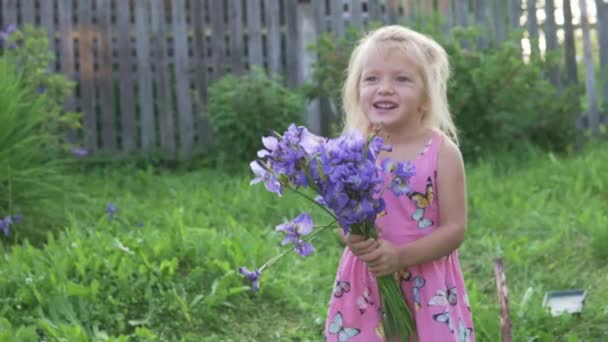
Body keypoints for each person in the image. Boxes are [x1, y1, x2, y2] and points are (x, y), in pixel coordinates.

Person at [325, 25, 474, 341]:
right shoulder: (354, 151)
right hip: (368, 277)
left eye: (402, 79)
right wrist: (351, 237)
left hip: (425, 278)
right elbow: (342, 216)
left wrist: (401, 258)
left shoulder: (441, 153)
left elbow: (455, 229)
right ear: (357, 91)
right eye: (372, 79)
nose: (385, 89)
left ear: (425, 98)